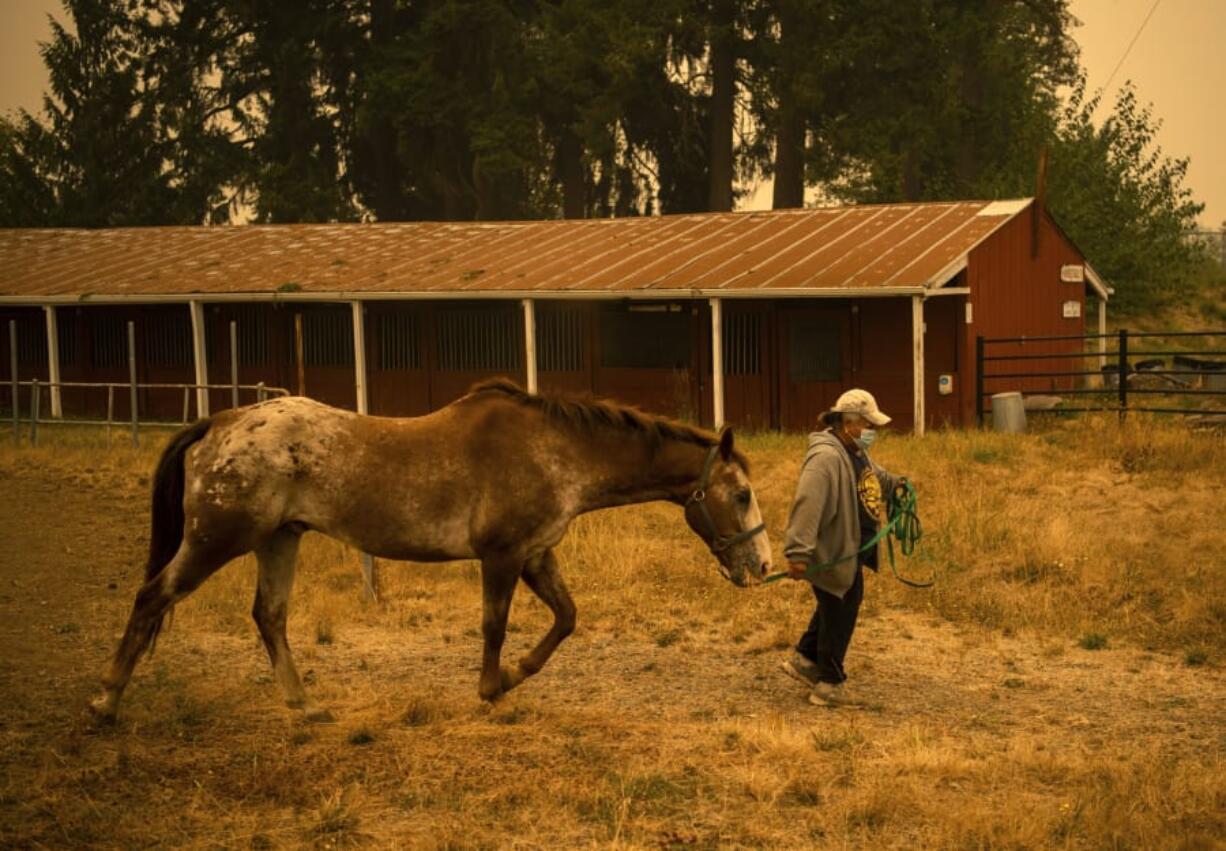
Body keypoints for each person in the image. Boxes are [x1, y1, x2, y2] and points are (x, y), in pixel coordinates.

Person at [780, 388, 904, 707]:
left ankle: (805, 660)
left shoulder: (854, 451)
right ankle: (829, 685)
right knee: (842, 608)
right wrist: (798, 552)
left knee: (836, 602)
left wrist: (896, 485)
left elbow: (872, 476)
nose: (872, 432)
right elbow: (808, 504)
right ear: (849, 423)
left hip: (851, 549)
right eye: (869, 425)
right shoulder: (826, 458)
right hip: (834, 551)